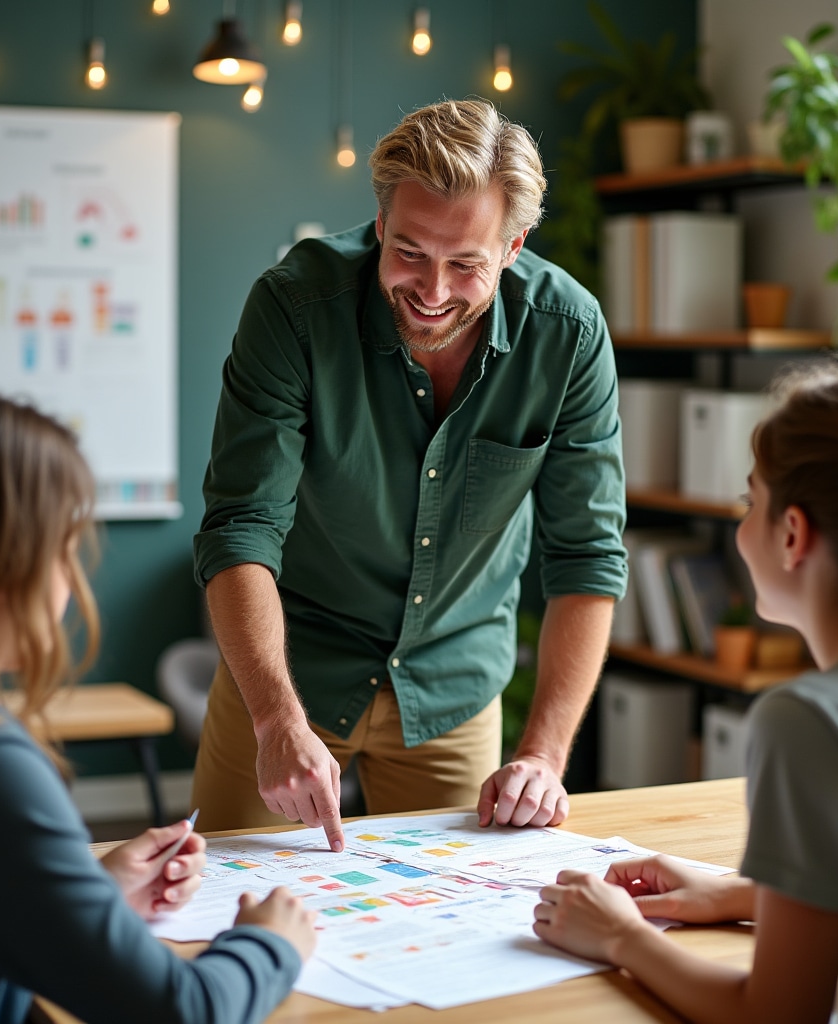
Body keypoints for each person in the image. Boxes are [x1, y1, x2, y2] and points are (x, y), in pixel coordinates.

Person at [191, 97, 627, 846]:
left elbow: (586, 556)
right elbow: (242, 528)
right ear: (381, 221)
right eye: (410, 252)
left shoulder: (570, 335)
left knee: (450, 930)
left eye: (466, 265)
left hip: (453, 689)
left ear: (514, 245)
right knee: (224, 916)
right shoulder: (294, 307)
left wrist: (544, 758)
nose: (431, 293)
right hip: (289, 678)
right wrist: (274, 718)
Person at [0, 384, 316, 1024]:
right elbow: (183, 1012)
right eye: (64, 550)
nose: (72, 578)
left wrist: (85, 899)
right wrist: (270, 943)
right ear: (6, 566)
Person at [533, 367, 838, 1023]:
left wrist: (620, 937)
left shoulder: (811, 722)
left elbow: (777, 1013)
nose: (743, 530)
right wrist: (737, 895)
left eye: (749, 504)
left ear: (792, 535)